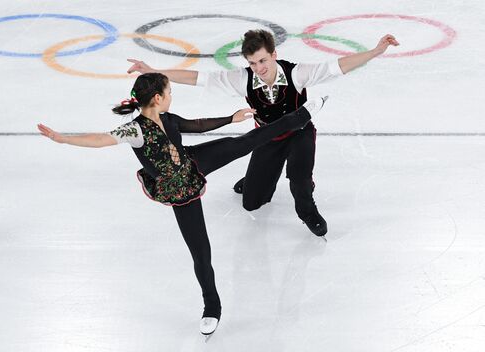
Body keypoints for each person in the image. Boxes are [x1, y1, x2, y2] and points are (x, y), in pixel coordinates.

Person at [37, 72, 328, 335]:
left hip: (193, 161)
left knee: (242, 143)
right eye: (169, 92)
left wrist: (230, 119)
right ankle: (212, 306)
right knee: (201, 251)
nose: (171, 97)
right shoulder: (134, 130)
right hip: (178, 188)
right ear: (157, 98)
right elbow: (101, 139)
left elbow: (197, 126)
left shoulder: (169, 118)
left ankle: (301, 116)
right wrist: (64, 139)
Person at [127, 30, 399, 237]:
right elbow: (197, 78)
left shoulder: (297, 73)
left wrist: (376, 51)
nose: (259, 68)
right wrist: (153, 71)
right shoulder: (242, 79)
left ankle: (307, 210)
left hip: (299, 134)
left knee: (299, 182)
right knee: (251, 203)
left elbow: (338, 66)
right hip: (266, 139)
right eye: (253, 63)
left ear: (274, 55)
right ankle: (256, 177)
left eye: (263, 60)